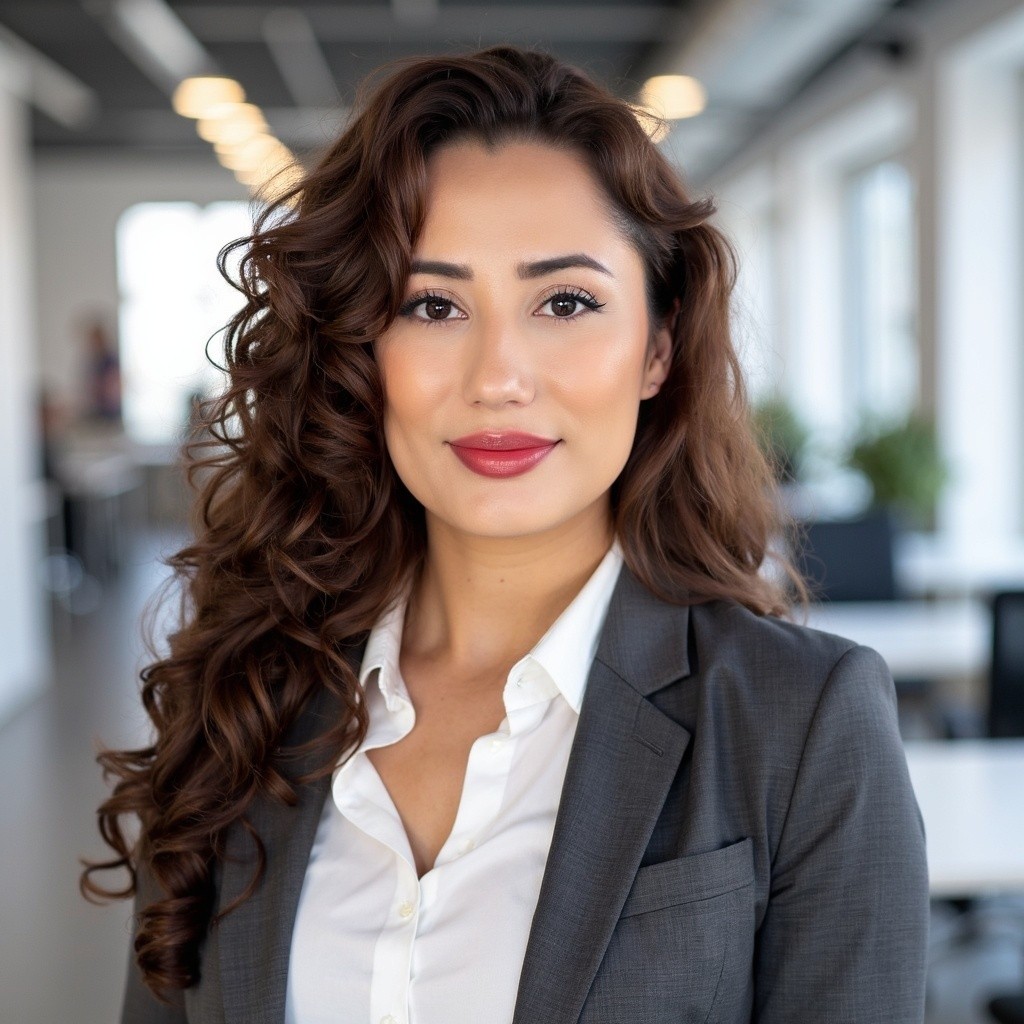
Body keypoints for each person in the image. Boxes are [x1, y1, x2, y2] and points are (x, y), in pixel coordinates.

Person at [83, 45, 929, 1024]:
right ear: (365, 349)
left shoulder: (802, 722)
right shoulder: (244, 698)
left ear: (655, 347)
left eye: (565, 301)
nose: (497, 377)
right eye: (431, 304)